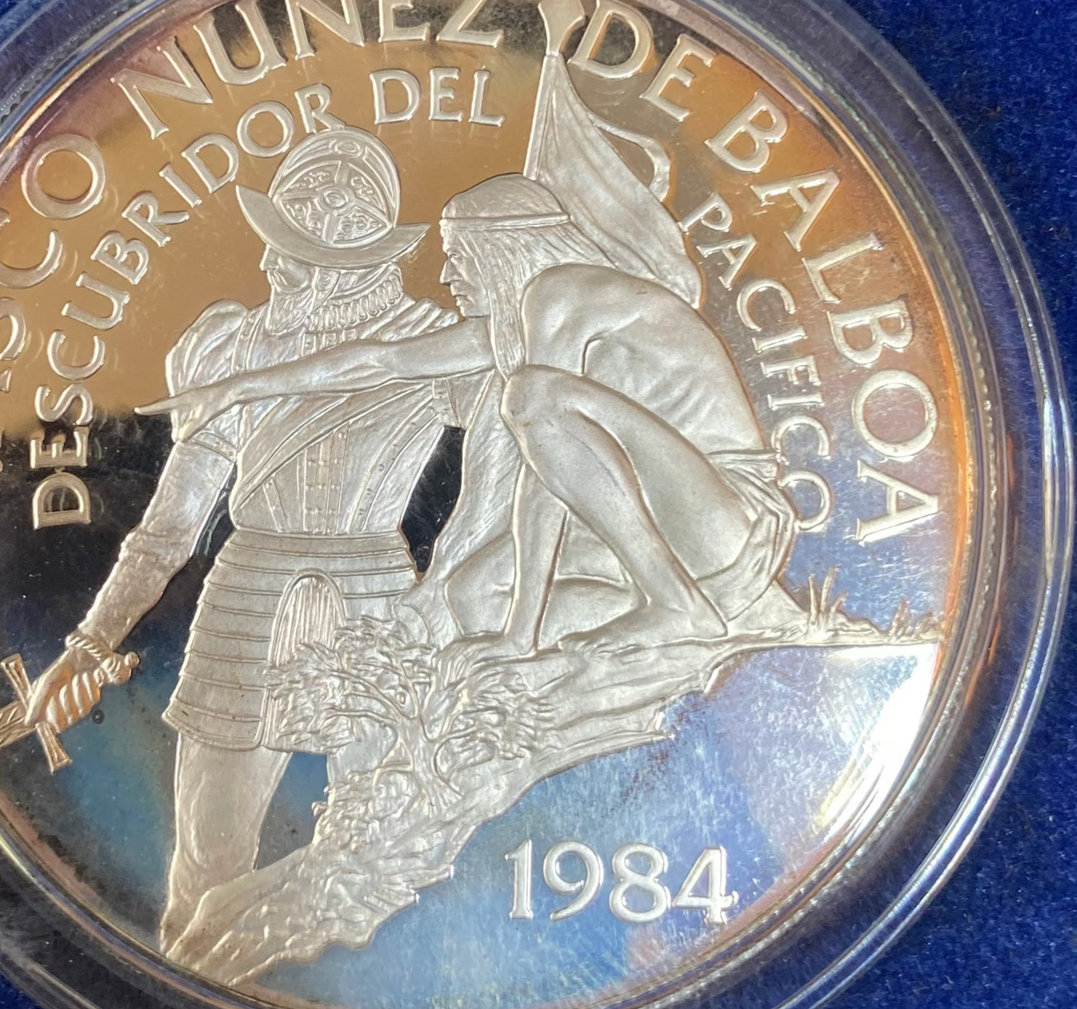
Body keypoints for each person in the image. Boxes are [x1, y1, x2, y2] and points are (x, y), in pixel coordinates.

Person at [26, 129, 459, 955]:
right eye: (283, 238)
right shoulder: (233, 347)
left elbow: (529, 457)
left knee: (385, 858)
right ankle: (187, 992)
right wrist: (90, 644)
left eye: (302, 247)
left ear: (360, 250)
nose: (274, 264)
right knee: (205, 864)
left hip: (378, 607)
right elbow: (170, 527)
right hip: (246, 602)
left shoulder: (436, 344)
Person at [153, 170, 795, 660]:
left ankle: (677, 604)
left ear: (501, 252)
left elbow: (541, 461)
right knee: (470, 595)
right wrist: (236, 389)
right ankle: (684, 607)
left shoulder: (563, 294)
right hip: (675, 522)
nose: (447, 274)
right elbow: (380, 361)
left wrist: (523, 631)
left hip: (727, 514)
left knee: (531, 398)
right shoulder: (523, 323)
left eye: (459, 254)